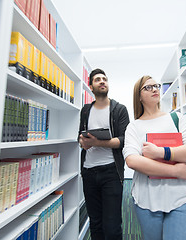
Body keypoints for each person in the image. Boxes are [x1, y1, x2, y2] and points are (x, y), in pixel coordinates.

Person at [122, 75, 186, 240]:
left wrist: (161, 152)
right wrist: (174, 170)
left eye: (156, 86)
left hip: (182, 198)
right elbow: (132, 160)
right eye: (148, 87)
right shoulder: (133, 127)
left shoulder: (176, 118)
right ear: (139, 96)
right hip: (146, 200)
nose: (155, 89)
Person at [78, 68, 130, 240]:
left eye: (104, 79)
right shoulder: (85, 110)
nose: (102, 81)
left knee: (112, 224)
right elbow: (80, 135)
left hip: (111, 172)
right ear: (91, 87)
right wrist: (83, 142)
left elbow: (123, 140)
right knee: (95, 222)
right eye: (97, 79)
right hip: (88, 172)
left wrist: (97, 143)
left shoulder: (119, 109)